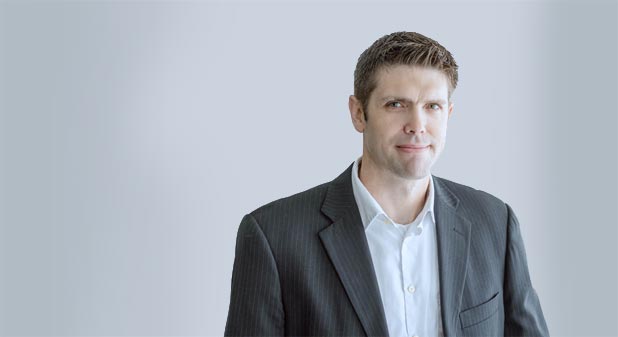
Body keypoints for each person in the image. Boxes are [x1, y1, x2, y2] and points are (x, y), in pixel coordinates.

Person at [224, 31, 549, 337]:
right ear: (358, 114)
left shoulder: (494, 222)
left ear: (448, 113)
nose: (417, 125)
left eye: (432, 106)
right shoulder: (273, 236)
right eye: (397, 104)